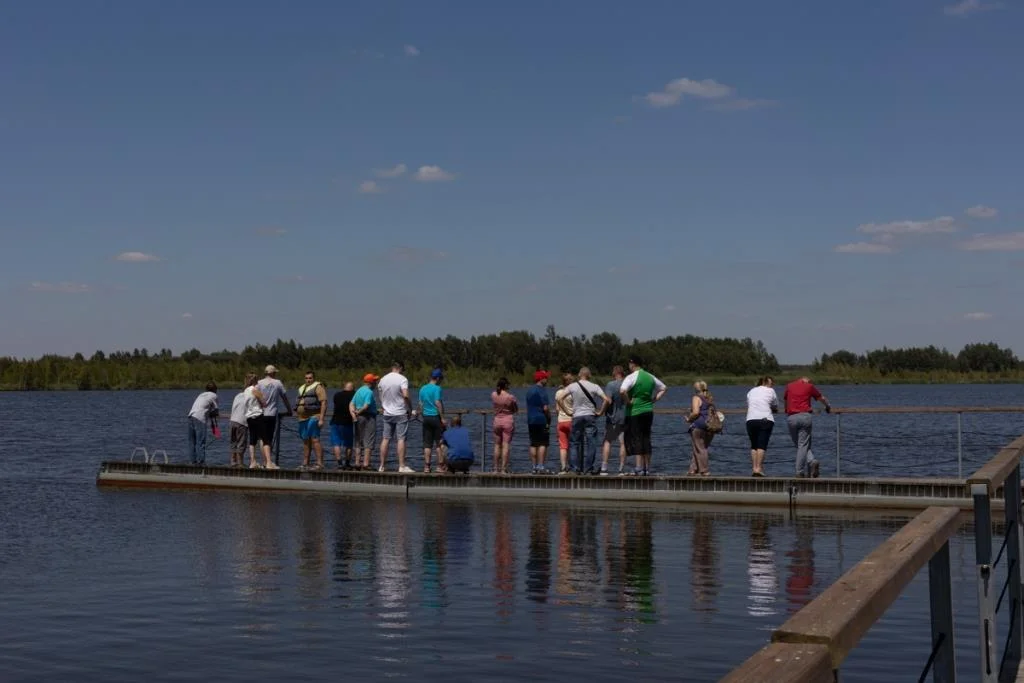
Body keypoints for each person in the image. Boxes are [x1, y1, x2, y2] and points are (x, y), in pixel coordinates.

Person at [620, 356, 667, 476]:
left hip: (635, 412)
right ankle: (647, 468)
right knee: (646, 438)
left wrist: (628, 402)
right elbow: (663, 388)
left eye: (629, 364)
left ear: (633, 364)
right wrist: (653, 400)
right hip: (648, 411)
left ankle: (639, 468)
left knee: (637, 439)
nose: (628, 366)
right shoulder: (650, 376)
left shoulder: (631, 377)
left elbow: (622, 391)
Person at [784, 376, 832, 478]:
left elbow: (785, 400)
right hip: (805, 417)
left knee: (800, 444)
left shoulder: (789, 386)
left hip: (792, 417)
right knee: (802, 444)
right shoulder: (809, 386)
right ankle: (805, 466)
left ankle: (808, 464)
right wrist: (828, 406)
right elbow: (821, 398)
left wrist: (786, 410)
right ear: (806, 381)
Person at [566, 367, 610, 475]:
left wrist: (567, 411)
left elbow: (559, 398)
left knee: (574, 443)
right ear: (589, 375)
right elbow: (607, 399)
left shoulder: (572, 386)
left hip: (577, 416)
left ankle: (574, 469)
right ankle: (588, 469)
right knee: (591, 443)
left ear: (579, 375)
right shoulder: (594, 386)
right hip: (590, 416)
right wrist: (600, 412)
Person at [378, 361, 415, 473]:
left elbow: (381, 396)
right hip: (400, 412)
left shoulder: (382, 380)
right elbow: (405, 395)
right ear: (400, 368)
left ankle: (382, 466)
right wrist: (410, 409)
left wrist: (384, 406)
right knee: (401, 439)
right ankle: (402, 466)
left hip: (387, 413)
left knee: (385, 438)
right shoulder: (402, 379)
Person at [257, 365, 292, 467]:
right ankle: (268, 462)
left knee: (262, 438)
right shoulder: (278, 383)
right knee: (269, 438)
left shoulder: (259, 383)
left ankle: (264, 461)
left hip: (261, 413)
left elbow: (254, 395)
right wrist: (289, 410)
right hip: (272, 414)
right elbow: (284, 398)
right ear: (272, 373)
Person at [745, 376, 779, 477]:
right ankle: (759, 468)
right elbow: (775, 405)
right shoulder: (771, 391)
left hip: (750, 419)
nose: (772, 385)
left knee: (754, 445)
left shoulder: (751, 391)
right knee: (762, 445)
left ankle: (754, 468)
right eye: (771, 384)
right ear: (767, 383)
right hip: (765, 419)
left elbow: (749, 403)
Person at [295, 370, 328, 469]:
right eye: (306, 378)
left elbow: (324, 403)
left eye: (310, 378)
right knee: (305, 440)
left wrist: (321, 418)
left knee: (315, 439)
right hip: (302, 418)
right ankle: (305, 463)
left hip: (314, 416)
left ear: (313, 378)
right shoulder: (301, 388)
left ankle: (319, 463)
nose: (308, 380)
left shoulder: (318, 387)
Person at [683, 380, 716, 476]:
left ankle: (705, 470)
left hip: (699, 426)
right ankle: (693, 469)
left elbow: (696, 412)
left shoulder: (696, 397)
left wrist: (689, 418)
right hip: (710, 426)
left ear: (696, 388)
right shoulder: (709, 398)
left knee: (700, 449)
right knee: (699, 448)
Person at [601, 365, 628, 476]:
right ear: (622, 374)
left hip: (612, 418)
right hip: (624, 418)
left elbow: (608, 400)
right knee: (623, 443)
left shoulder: (610, 385)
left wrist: (601, 411)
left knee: (608, 442)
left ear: (615, 373)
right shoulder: (627, 385)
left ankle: (604, 468)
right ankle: (621, 469)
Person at [419, 368, 447, 473]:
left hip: (426, 418)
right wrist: (443, 417)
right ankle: (440, 466)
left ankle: (426, 466)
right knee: (439, 443)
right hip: (435, 417)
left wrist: (423, 415)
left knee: (427, 444)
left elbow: (421, 404)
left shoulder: (422, 388)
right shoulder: (437, 388)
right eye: (441, 379)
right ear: (438, 378)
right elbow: (437, 402)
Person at [525, 370, 552, 474]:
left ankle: (534, 467)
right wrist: (549, 418)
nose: (547, 379)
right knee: (542, 443)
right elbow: (545, 408)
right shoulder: (542, 391)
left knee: (533, 443)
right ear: (541, 379)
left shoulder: (529, 391)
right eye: (546, 378)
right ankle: (541, 466)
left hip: (531, 419)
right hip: (541, 419)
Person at [187, 382, 219, 466]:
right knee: (200, 442)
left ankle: (192, 462)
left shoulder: (201, 395)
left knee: (192, 442)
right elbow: (216, 410)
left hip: (191, 416)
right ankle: (201, 462)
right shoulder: (214, 395)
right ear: (215, 390)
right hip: (200, 418)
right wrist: (213, 415)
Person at [491, 377, 518, 473]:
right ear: (506, 385)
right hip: (507, 421)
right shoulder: (510, 397)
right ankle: (503, 469)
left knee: (497, 445)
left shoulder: (494, 395)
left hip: (497, 420)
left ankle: (495, 469)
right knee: (505, 445)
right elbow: (515, 409)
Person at [352, 373, 379, 470]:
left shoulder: (358, 390)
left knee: (358, 440)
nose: (376, 383)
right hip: (368, 417)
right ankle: (366, 464)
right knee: (369, 440)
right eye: (375, 381)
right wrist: (359, 412)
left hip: (358, 418)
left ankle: (357, 463)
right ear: (371, 382)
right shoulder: (369, 392)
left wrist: (355, 413)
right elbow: (366, 405)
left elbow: (352, 403)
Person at [242, 374, 270, 469]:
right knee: (265, 439)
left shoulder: (245, 391)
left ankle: (252, 461)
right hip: (257, 415)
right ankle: (269, 463)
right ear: (255, 381)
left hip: (249, 417)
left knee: (252, 440)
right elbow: (264, 403)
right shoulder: (254, 390)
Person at [330, 381, 357, 469]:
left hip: (335, 421)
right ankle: (347, 463)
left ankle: (339, 463)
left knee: (336, 443)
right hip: (347, 422)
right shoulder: (354, 395)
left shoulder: (336, 395)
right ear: (352, 388)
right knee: (348, 444)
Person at [554, 373, 575, 474]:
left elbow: (557, 409)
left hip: (561, 421)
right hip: (571, 420)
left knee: (563, 446)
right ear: (570, 382)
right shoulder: (573, 393)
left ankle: (563, 467)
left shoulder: (558, 393)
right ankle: (572, 466)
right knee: (573, 445)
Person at [228, 378, 250, 467]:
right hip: (241, 421)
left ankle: (233, 462)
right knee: (241, 443)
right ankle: (240, 463)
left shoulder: (237, 395)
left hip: (232, 420)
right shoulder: (249, 396)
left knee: (233, 442)